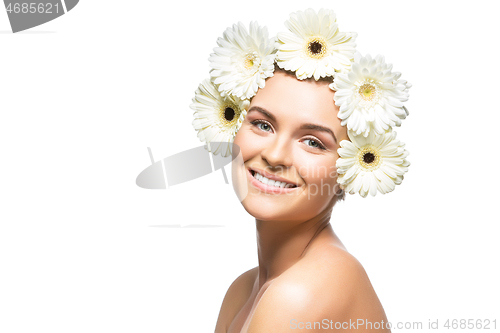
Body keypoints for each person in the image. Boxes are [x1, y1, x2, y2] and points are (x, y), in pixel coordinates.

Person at [189, 8, 411, 333]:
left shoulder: (298, 295)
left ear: (354, 166)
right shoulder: (242, 291)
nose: (275, 155)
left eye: (313, 142)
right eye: (262, 124)